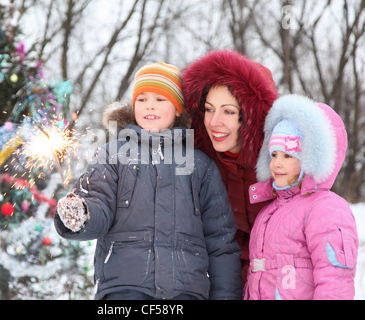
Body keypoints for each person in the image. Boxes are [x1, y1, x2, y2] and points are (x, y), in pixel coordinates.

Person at [54, 62, 242, 300]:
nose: (149, 105)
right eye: (142, 99)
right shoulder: (112, 155)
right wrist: (82, 214)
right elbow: (97, 202)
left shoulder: (200, 165)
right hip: (125, 288)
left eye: (160, 99)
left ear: (178, 110)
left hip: (185, 291)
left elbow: (220, 242)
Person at [245, 94, 359, 300]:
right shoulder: (268, 211)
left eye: (288, 156)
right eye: (273, 154)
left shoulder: (326, 209)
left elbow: (335, 282)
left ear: (310, 158)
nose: (276, 163)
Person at [181, 50, 278, 284]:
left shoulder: (280, 164)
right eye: (209, 108)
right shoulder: (198, 161)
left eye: (229, 111)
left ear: (252, 116)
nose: (214, 122)